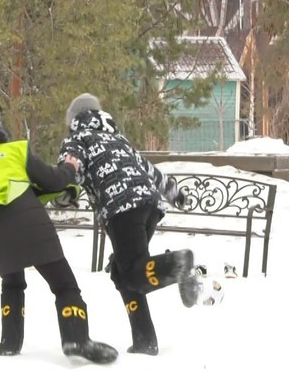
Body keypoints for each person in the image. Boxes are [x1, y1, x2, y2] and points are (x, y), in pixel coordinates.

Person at [0, 109, 117, 364]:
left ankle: (9, 342)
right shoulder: (14, 151)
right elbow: (54, 180)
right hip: (33, 228)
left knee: (12, 284)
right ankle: (77, 339)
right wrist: (69, 168)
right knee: (64, 286)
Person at [58, 93, 199, 355]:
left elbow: (71, 167)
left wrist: (64, 191)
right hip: (150, 207)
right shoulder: (119, 139)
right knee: (123, 272)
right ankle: (145, 341)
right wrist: (176, 195)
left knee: (134, 274)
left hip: (121, 207)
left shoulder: (77, 139)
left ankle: (178, 264)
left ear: (74, 119)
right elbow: (151, 171)